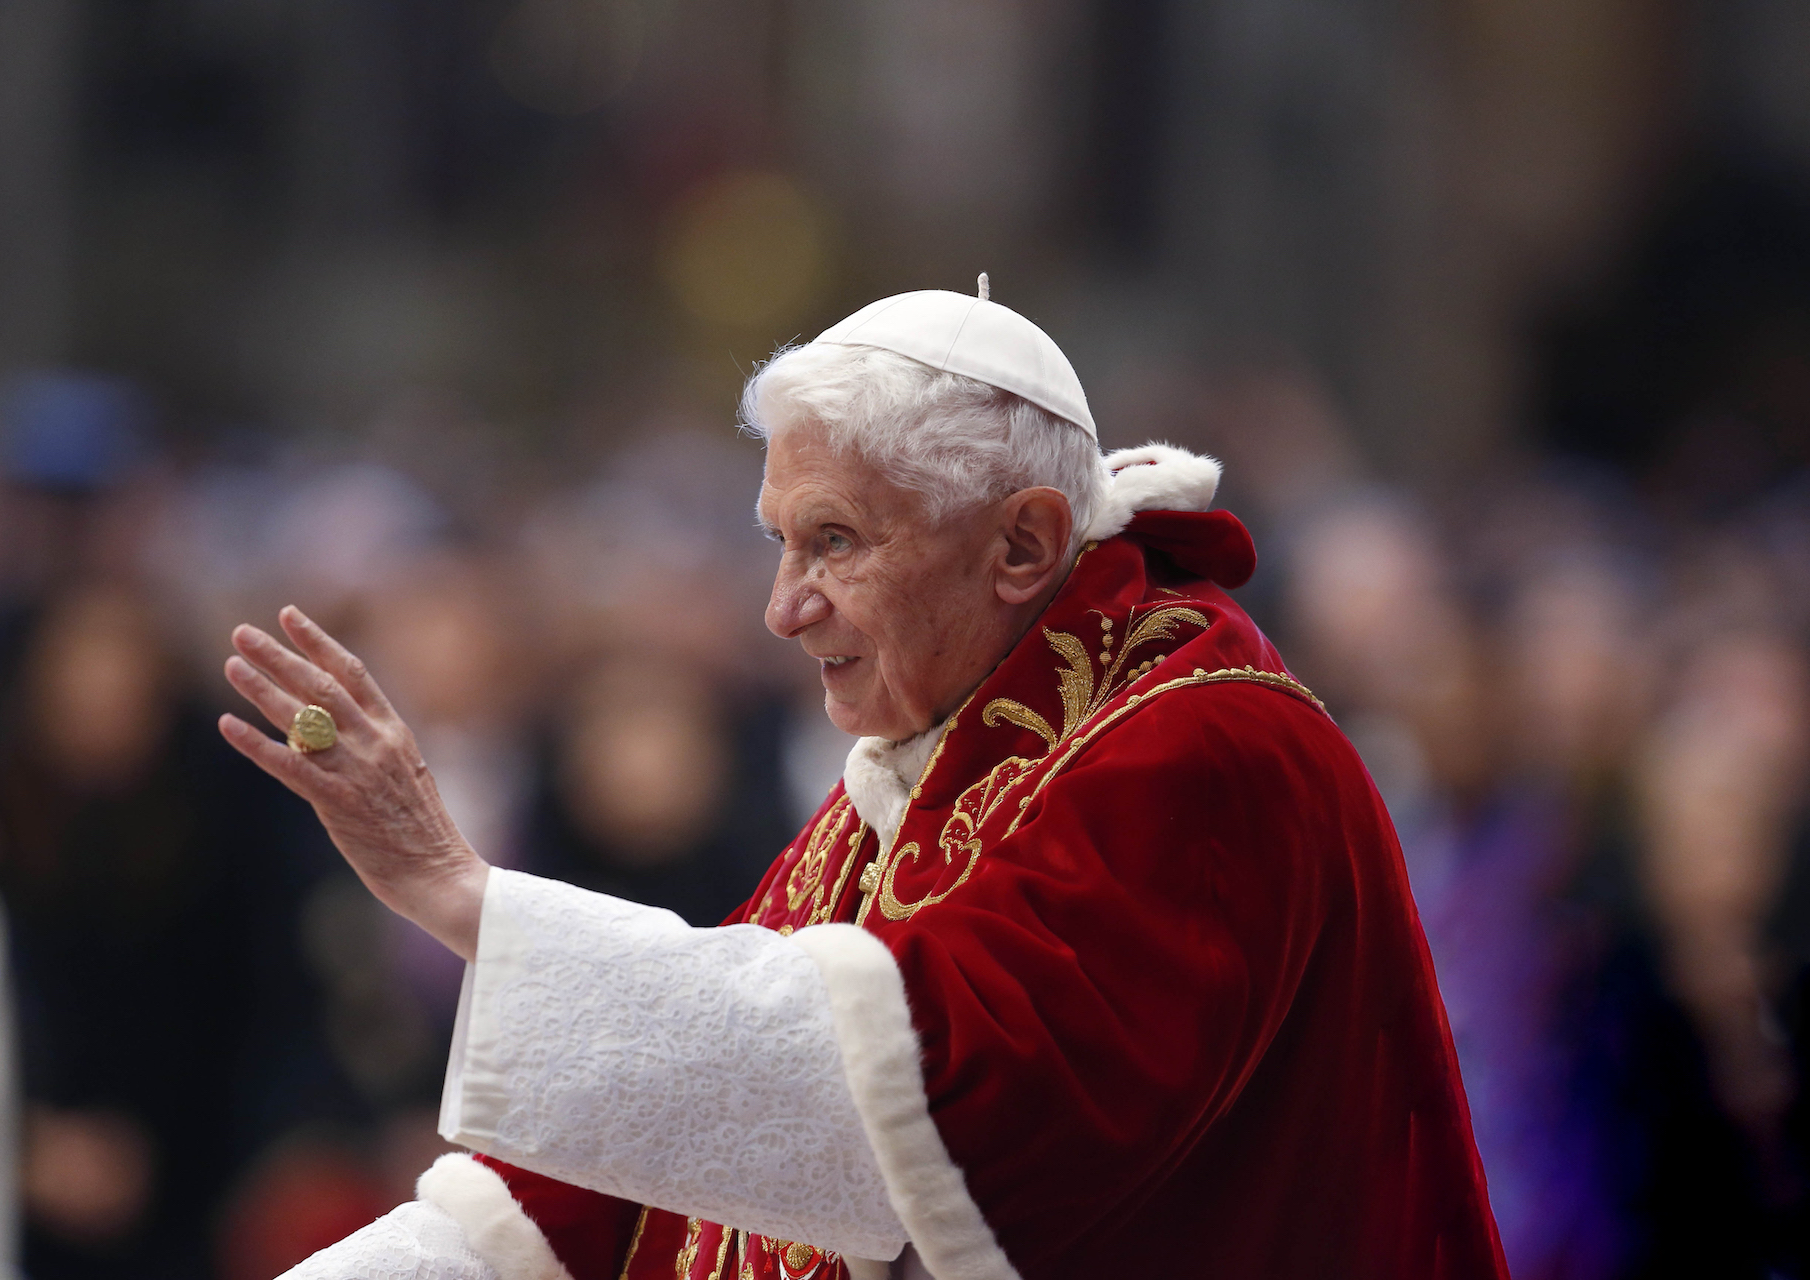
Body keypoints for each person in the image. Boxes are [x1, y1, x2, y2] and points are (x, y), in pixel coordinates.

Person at [220, 281, 1508, 1279]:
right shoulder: (933, 754)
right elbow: (650, 1147)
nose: (782, 609)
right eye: (780, 543)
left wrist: (456, 891)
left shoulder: (1207, 749)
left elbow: (923, 1099)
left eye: (835, 541)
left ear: (1023, 545)